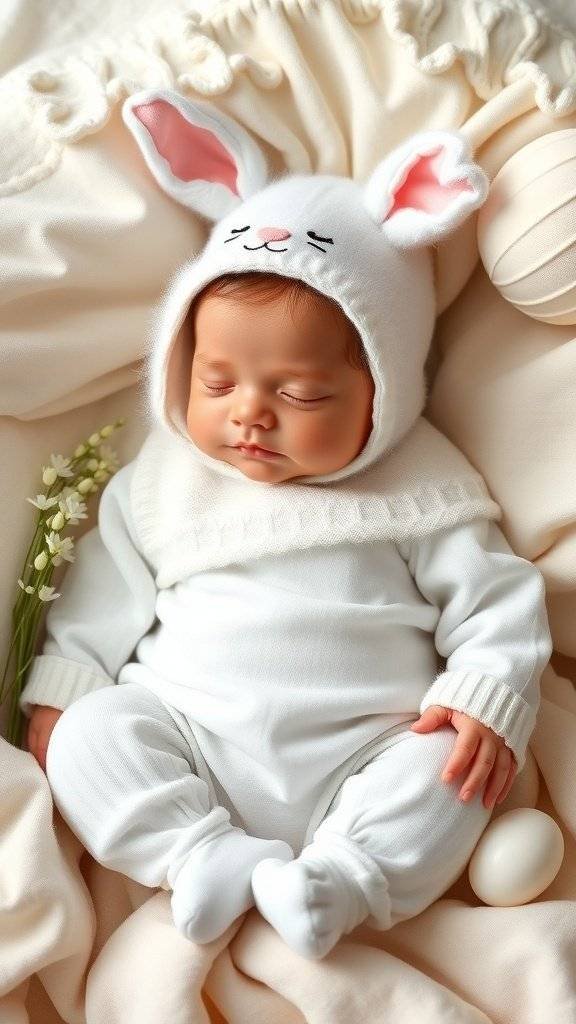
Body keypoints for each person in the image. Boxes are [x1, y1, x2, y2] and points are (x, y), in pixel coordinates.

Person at [21, 90, 552, 961]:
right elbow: (100, 598)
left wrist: (486, 698)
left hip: (369, 753)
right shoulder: (163, 484)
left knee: (454, 776)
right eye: (218, 382)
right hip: (186, 739)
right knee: (90, 738)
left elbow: (498, 603)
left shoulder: (424, 486)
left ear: (384, 389)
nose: (250, 418)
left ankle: (338, 883)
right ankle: (199, 857)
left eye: (301, 394)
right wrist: (67, 683)